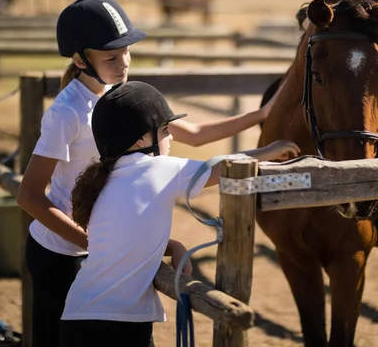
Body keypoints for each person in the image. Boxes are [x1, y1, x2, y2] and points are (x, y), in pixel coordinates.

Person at [16, 0, 279, 347]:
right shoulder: (68, 113)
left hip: (102, 248)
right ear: (80, 60)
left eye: (127, 51)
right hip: (61, 254)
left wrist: (261, 117)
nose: (124, 62)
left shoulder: (120, 96)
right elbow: (29, 196)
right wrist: (98, 245)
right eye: (111, 56)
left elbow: (196, 136)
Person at [58, 81, 299, 347]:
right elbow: (224, 167)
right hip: (121, 323)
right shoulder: (159, 168)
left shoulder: (106, 178)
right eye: (164, 131)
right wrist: (268, 151)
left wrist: (172, 245)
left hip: (77, 314)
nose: (171, 138)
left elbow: (124, 240)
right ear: (140, 140)